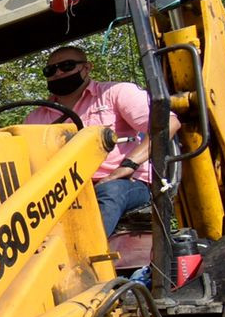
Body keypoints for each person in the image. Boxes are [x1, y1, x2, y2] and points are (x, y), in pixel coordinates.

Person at [25, 45, 179, 235]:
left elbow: (168, 124)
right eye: (50, 70)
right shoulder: (35, 118)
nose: (58, 73)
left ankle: (83, 260)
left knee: (110, 193)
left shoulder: (116, 94)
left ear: (87, 68)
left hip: (126, 184)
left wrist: (128, 164)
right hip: (64, 192)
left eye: (66, 66)